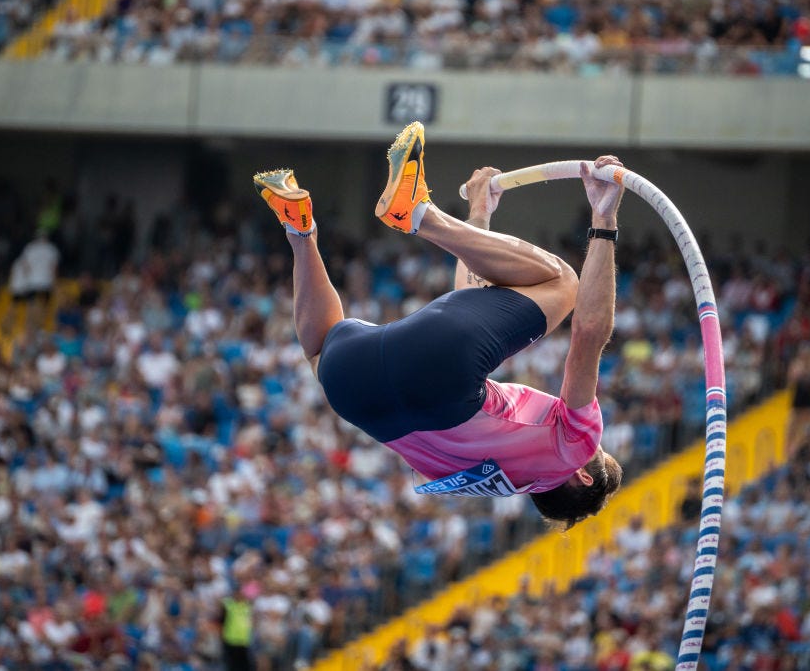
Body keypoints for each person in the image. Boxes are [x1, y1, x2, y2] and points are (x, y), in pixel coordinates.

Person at [253, 121, 624, 529]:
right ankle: (300, 231)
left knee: (562, 283)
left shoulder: (576, 447)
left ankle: (418, 215)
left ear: (583, 475)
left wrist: (603, 220)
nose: (596, 444)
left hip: (442, 375)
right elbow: (473, 300)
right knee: (319, 351)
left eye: (600, 452)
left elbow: (588, 333)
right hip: (356, 391)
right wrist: (480, 213)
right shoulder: (491, 479)